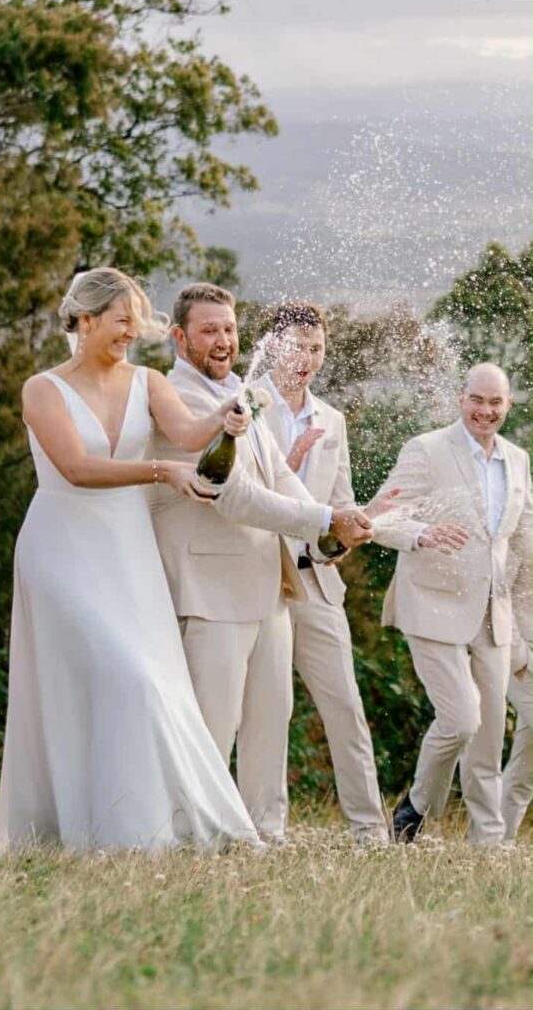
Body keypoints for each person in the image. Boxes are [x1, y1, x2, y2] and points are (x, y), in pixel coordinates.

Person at [0, 267, 263, 852]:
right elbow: (76, 468)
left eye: (136, 322)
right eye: (122, 320)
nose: (131, 333)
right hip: (62, 548)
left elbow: (189, 435)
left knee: (150, 680)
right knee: (115, 677)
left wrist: (227, 416)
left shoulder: (148, 381)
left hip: (128, 548)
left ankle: (145, 822)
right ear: (84, 320)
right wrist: (161, 471)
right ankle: (77, 820)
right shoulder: (43, 389)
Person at [150, 283, 375, 841]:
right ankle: (194, 835)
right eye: (208, 330)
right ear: (180, 337)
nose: (223, 340)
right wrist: (325, 519)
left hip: (269, 586)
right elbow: (232, 495)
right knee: (213, 725)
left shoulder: (242, 392)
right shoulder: (176, 399)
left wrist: (332, 526)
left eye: (228, 328)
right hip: (211, 586)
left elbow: (278, 476)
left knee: (271, 721)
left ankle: (264, 834)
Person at [375, 363, 531, 845]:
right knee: (462, 719)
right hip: (432, 605)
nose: (486, 411)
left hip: (493, 613)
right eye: (477, 400)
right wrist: (421, 533)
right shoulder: (426, 450)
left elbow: (521, 546)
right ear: (461, 399)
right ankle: (418, 803)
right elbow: (379, 518)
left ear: (508, 405)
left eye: (496, 402)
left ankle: (488, 840)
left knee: (488, 739)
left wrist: (522, 626)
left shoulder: (518, 459)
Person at [259, 301, 388, 843]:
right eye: (297, 346)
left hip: (315, 579)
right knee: (268, 709)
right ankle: (264, 829)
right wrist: (287, 466)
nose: (307, 358)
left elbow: (340, 499)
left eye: (316, 348)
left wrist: (350, 530)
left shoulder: (332, 420)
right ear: (272, 345)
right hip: (257, 576)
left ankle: (370, 831)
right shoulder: (245, 403)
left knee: (345, 707)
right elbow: (236, 493)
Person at [501, 550, 532, 842]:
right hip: (524, 656)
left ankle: (494, 844)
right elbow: (498, 587)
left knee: (526, 767)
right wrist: (517, 656)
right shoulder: (523, 526)